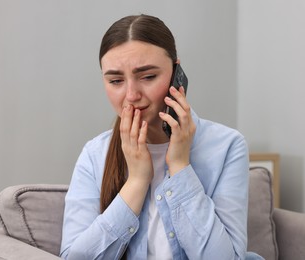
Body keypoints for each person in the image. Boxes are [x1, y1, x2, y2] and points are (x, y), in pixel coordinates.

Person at [60, 14, 263, 260]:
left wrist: (180, 167)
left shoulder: (228, 146)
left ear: (177, 73)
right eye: (115, 81)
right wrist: (136, 181)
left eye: (147, 77)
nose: (131, 95)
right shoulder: (94, 155)